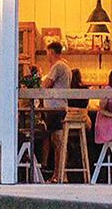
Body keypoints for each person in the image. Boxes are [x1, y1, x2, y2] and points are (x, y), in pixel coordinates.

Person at [41, 41, 71, 181]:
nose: (47, 55)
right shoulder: (65, 66)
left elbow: (46, 85)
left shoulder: (57, 66)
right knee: (57, 141)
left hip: (55, 108)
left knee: (57, 141)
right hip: (60, 107)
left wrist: (39, 82)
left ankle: (58, 175)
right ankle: (59, 174)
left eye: (47, 52)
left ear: (51, 52)